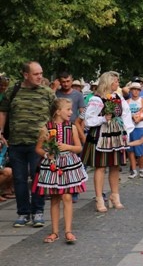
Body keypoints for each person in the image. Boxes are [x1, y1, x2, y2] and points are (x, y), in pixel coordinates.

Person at [0, 61, 55, 227]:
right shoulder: (13, 91)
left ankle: (38, 211)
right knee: (19, 179)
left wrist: (53, 138)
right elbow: (3, 112)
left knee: (37, 177)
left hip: (39, 144)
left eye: (41, 73)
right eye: (36, 74)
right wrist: (0, 132)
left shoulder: (47, 93)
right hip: (16, 143)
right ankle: (23, 213)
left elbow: (55, 114)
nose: (40, 77)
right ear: (26, 75)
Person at [34, 98, 87, 244]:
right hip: (52, 164)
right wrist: (46, 154)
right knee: (55, 198)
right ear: (58, 111)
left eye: (71, 109)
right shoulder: (46, 128)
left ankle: (68, 231)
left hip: (68, 164)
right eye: (68, 109)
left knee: (67, 197)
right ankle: (55, 232)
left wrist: (67, 147)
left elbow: (79, 147)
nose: (71, 112)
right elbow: (38, 148)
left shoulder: (72, 128)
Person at [82, 71, 134, 212]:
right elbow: (88, 119)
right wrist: (103, 119)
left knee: (115, 165)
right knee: (100, 166)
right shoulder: (97, 99)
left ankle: (115, 195)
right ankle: (99, 198)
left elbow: (125, 114)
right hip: (101, 135)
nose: (118, 84)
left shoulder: (118, 97)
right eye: (116, 81)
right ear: (109, 82)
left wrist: (126, 132)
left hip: (116, 134)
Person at [127, 81, 143, 178]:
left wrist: (141, 119)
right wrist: (131, 117)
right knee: (130, 150)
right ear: (131, 90)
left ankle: (141, 168)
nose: (135, 91)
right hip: (129, 127)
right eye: (134, 89)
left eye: (137, 90)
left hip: (139, 127)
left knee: (139, 150)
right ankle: (133, 170)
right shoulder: (127, 102)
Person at [55, 72, 86, 145]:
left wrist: (81, 132)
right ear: (60, 82)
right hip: (57, 128)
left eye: (68, 81)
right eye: (63, 82)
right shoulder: (55, 94)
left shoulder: (78, 95)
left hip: (73, 128)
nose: (66, 84)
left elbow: (83, 114)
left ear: (72, 80)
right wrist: (54, 88)